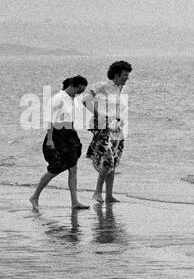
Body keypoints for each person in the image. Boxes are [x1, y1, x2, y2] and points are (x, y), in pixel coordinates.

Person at [30, 75, 90, 210]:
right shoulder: (58, 98)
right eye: (79, 90)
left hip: (70, 134)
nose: (80, 93)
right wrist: (50, 139)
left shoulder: (72, 99)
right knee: (56, 168)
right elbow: (49, 120)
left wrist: (73, 135)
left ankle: (75, 202)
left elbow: (71, 118)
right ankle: (35, 196)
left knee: (73, 169)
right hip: (57, 135)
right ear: (73, 85)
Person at [82, 60, 131, 203]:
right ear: (116, 74)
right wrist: (99, 115)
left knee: (114, 160)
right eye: (124, 75)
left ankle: (109, 195)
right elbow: (85, 100)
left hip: (116, 127)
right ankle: (97, 193)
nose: (127, 78)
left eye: (128, 75)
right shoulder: (102, 86)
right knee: (108, 159)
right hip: (103, 127)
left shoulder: (121, 89)